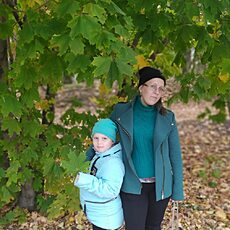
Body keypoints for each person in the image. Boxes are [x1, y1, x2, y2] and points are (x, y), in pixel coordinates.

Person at [109, 66, 184, 230]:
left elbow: (175, 155)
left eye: (161, 89)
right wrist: (87, 162)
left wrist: (178, 190)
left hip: (161, 187)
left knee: (153, 227)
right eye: (152, 86)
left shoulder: (167, 117)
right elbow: (104, 138)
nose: (157, 92)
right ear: (141, 88)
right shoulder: (121, 112)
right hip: (132, 184)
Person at [74, 118, 125, 230]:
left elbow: (111, 190)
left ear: (112, 140)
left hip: (106, 219)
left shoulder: (113, 162)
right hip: (100, 215)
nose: (99, 142)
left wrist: (84, 180)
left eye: (104, 138)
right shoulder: (101, 154)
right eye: (96, 138)